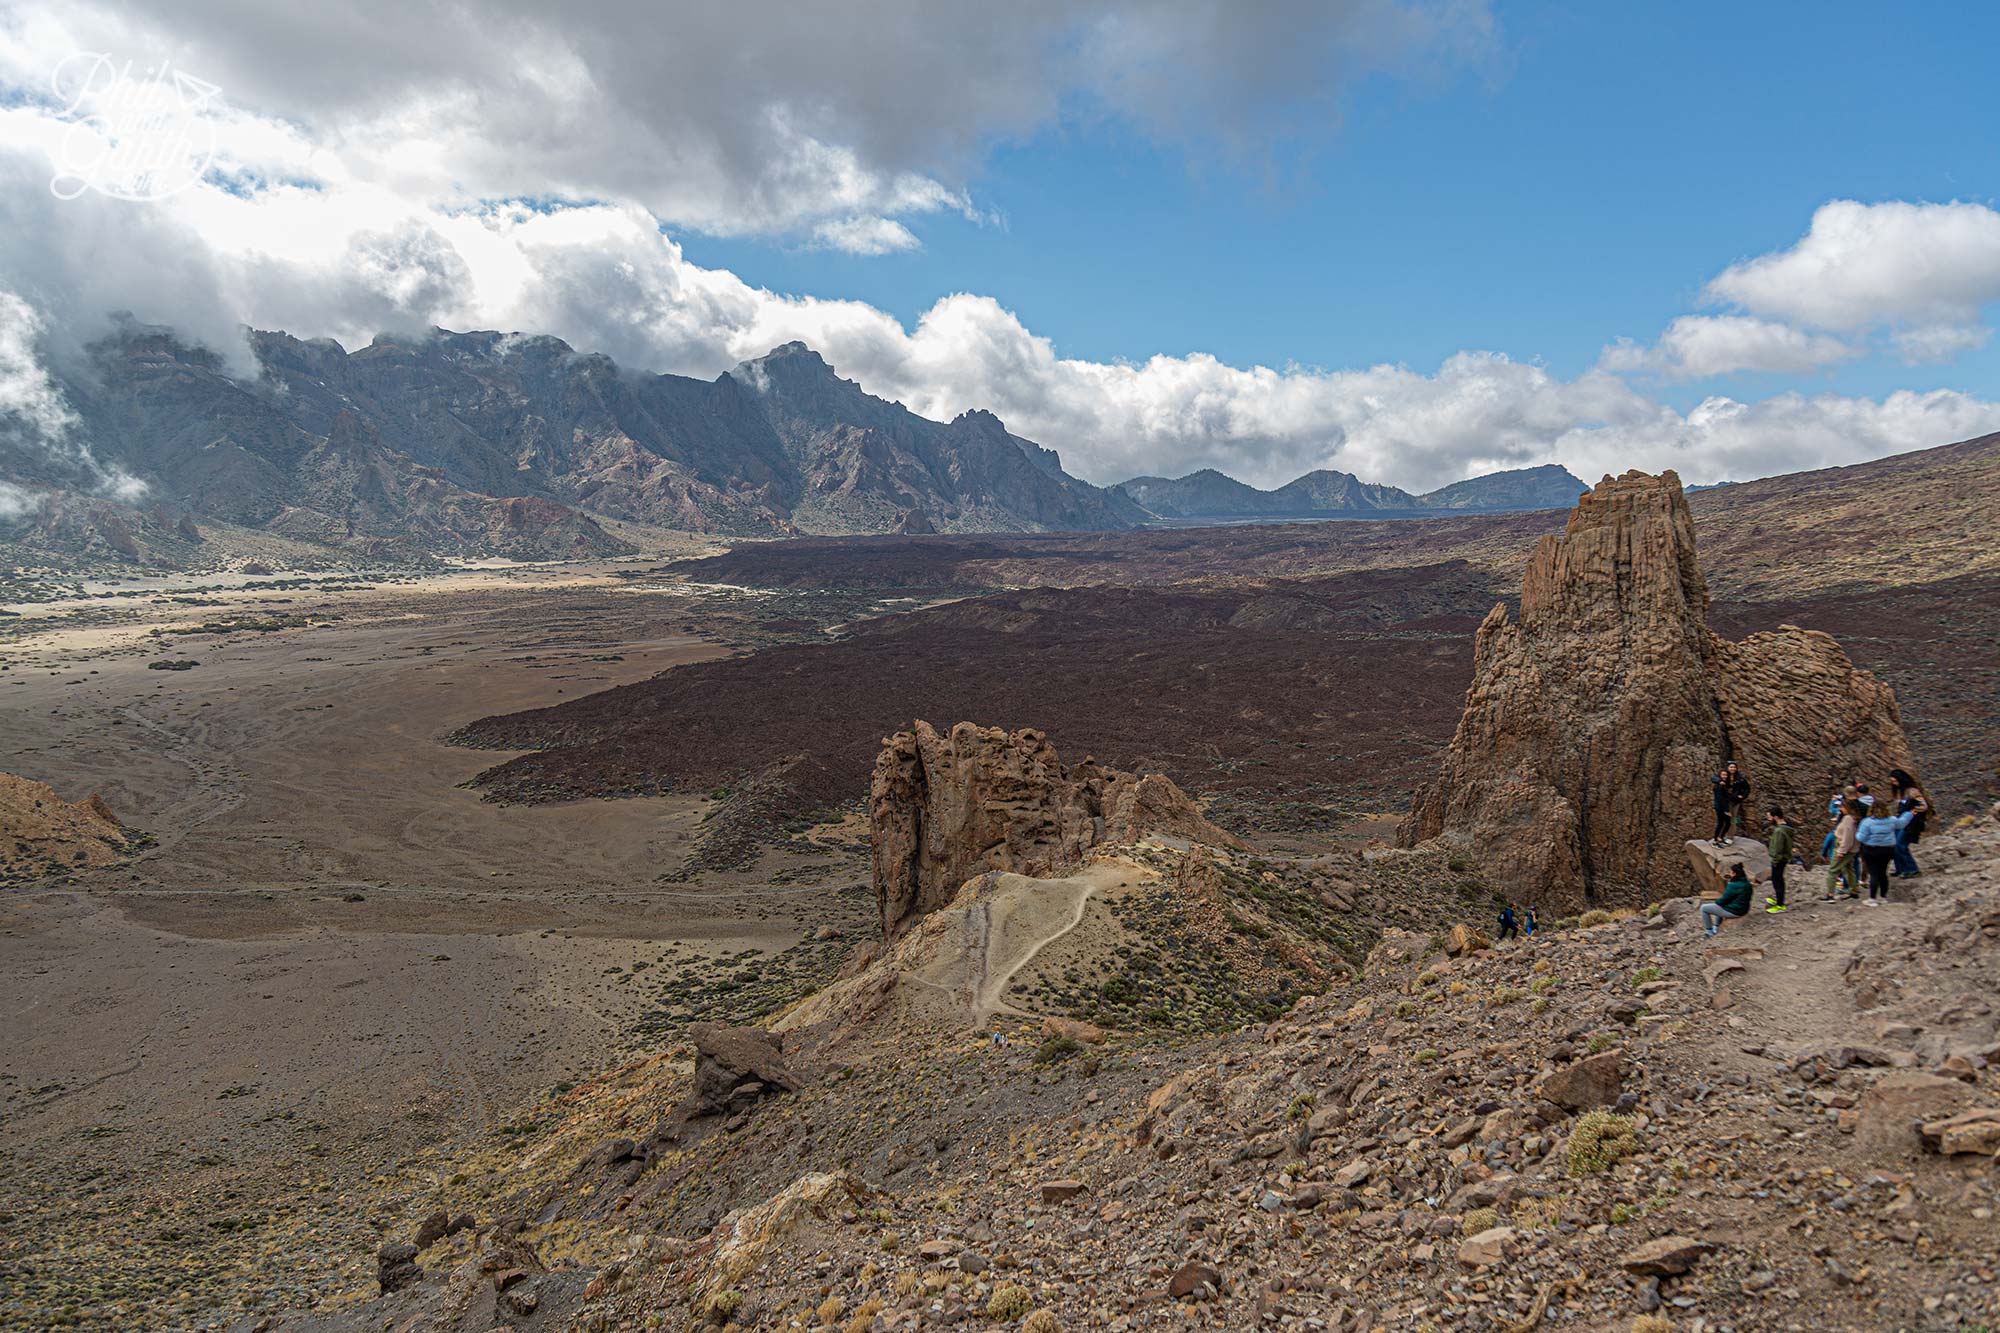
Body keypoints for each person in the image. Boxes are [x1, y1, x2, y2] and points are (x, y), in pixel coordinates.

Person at [1855, 799, 1920, 904]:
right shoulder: (1892, 820)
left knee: (1873, 873)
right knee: (1882, 873)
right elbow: (1902, 824)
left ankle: (1872, 898)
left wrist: (1857, 833)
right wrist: (1909, 813)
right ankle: (1883, 897)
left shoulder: (1866, 822)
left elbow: (1860, 838)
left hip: (1870, 850)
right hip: (1887, 849)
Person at [1888, 769, 1929, 878]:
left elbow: (1923, 806)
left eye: (1895, 781)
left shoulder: (1912, 791)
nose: (1894, 784)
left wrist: (1912, 812)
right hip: (1900, 821)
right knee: (1895, 844)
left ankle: (1912, 869)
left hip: (1911, 822)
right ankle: (1901, 868)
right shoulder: (1900, 793)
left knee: (1901, 844)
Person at [1823, 792, 1862, 901]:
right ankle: (1853, 890)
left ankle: (1830, 894)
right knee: (1849, 869)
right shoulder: (1854, 818)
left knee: (1833, 871)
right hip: (1852, 848)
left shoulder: (1848, 820)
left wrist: (1841, 851)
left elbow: (1847, 837)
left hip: (1844, 848)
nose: (1840, 809)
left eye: (1842, 807)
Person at [1700, 863, 1754, 935]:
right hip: (1744, 909)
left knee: (1704, 908)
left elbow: (1723, 901)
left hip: (1735, 911)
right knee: (1720, 905)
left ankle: (1709, 932)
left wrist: (1716, 902)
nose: (1729, 873)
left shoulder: (1734, 885)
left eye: (1731, 872)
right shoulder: (1747, 883)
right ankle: (1716, 926)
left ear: (1734, 873)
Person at [1763, 807, 1793, 913]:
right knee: (1778, 880)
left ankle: (1780, 905)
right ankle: (1778, 899)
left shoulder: (1780, 831)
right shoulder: (1787, 826)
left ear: (1775, 817)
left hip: (1779, 859)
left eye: (1769, 816)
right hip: (1784, 857)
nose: (1768, 819)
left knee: (1777, 881)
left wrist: (1775, 860)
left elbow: (1778, 847)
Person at [1711, 762, 1749, 842]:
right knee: (1724, 819)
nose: (1733, 769)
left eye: (1734, 767)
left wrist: (1742, 796)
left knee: (1733, 819)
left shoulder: (1740, 778)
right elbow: (1713, 778)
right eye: (1731, 767)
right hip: (1726, 801)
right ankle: (1721, 836)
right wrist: (1719, 781)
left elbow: (1747, 788)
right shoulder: (1725, 776)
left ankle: (1730, 837)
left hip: (1735, 801)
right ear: (1728, 768)